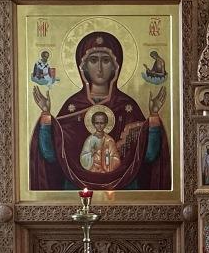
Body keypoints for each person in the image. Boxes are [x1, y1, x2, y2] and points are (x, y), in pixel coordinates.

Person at [29, 31, 170, 191]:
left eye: (106, 60)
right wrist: (46, 116)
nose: (100, 68)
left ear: (116, 66)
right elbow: (50, 155)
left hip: (124, 191)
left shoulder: (127, 107)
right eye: (94, 60)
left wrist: (154, 117)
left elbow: (149, 156)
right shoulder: (72, 106)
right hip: (75, 191)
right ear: (83, 66)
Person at [80, 109, 122, 173]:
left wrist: (107, 157)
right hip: (92, 171)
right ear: (93, 124)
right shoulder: (89, 140)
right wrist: (91, 153)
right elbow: (83, 158)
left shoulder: (109, 140)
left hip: (105, 171)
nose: (99, 126)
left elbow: (116, 159)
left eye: (102, 123)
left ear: (106, 124)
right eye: (97, 123)